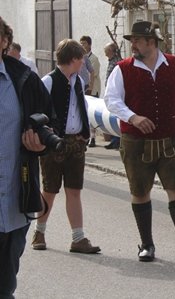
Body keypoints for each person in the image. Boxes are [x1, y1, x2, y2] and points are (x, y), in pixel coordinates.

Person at [104, 20, 175, 263]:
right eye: (132, 41)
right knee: (140, 192)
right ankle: (147, 245)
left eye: (137, 41)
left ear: (151, 42)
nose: (133, 46)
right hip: (136, 141)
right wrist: (134, 117)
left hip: (170, 137)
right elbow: (112, 100)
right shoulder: (123, 69)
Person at [31, 39, 101, 254]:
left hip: (76, 143)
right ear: (73, 59)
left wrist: (85, 134)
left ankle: (78, 238)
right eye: (81, 59)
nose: (83, 63)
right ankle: (39, 232)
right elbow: (37, 113)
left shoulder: (78, 82)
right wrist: (47, 137)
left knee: (74, 190)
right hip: (55, 143)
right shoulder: (48, 82)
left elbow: (81, 108)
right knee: (50, 189)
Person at [0, 17, 52, 297]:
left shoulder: (25, 79)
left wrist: (38, 144)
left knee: (5, 287)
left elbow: (47, 123)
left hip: (13, 202)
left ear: (4, 41)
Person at [80, 36, 101, 147]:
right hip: (82, 89)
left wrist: (90, 87)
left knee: (91, 114)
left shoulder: (93, 59)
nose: (82, 45)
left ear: (89, 44)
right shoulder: (80, 57)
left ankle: (92, 138)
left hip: (91, 89)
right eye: (81, 43)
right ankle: (86, 136)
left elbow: (93, 73)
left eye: (84, 43)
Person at [103, 42, 122, 150]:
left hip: (116, 94)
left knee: (117, 117)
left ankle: (118, 141)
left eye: (106, 51)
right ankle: (114, 140)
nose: (105, 54)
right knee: (113, 117)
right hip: (111, 94)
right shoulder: (111, 61)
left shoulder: (117, 62)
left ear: (111, 51)